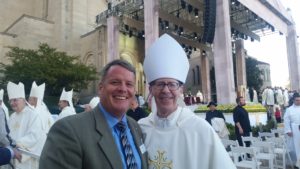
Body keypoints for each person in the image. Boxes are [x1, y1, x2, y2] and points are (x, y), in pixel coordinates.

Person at [139, 34, 235, 169]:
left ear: (180, 90)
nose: (166, 90)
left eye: (172, 84)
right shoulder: (141, 128)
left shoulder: (201, 130)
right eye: (160, 84)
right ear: (151, 89)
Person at [39, 59, 148, 169]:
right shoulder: (68, 130)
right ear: (101, 88)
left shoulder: (135, 127)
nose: (123, 89)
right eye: (115, 82)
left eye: (129, 84)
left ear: (134, 91)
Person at [7, 81, 45, 169]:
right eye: (10, 101)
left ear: (23, 100)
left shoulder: (33, 115)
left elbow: (34, 136)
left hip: (26, 160)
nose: (12, 103)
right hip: (12, 155)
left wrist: (16, 144)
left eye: (15, 100)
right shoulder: (12, 116)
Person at [284, 93, 300, 168]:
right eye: (297, 100)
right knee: (296, 147)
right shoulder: (289, 109)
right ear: (293, 100)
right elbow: (286, 120)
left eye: (299, 100)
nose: (298, 102)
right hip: (295, 130)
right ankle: (297, 162)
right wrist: (288, 130)